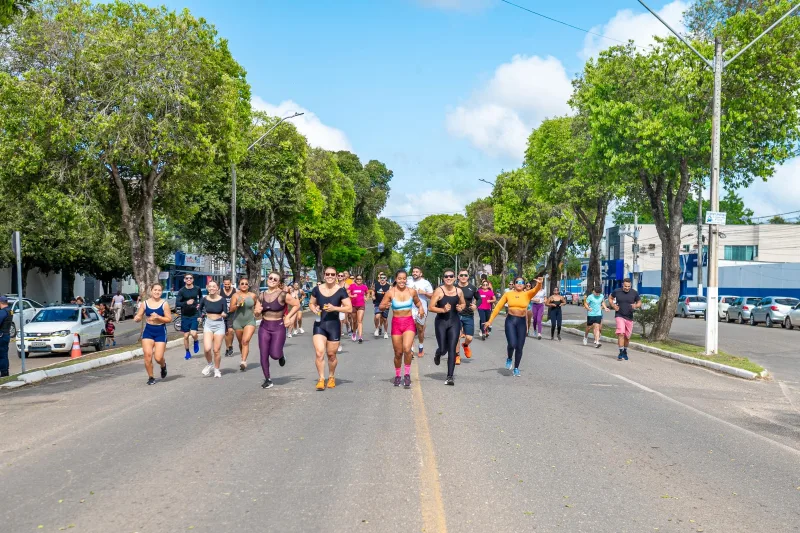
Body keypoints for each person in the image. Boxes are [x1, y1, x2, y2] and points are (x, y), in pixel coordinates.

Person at [484, 276, 544, 377]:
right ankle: (509, 358)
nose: (519, 284)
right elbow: (498, 307)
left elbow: (536, 289)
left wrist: (539, 283)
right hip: (510, 321)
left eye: (521, 282)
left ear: (524, 285)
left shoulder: (527, 294)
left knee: (519, 347)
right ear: (514, 284)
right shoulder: (508, 294)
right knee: (512, 344)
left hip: (521, 322)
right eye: (517, 282)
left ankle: (516, 368)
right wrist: (490, 321)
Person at [378, 269, 425, 388]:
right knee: (398, 353)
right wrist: (385, 306)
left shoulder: (412, 292)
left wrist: (421, 309)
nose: (402, 281)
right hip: (396, 323)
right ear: (396, 279)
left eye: (404, 278)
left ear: (406, 279)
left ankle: (407, 375)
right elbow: (381, 306)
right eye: (399, 278)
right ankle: (398, 375)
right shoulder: (390, 292)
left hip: (409, 322)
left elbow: (418, 303)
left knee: (407, 349)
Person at [309, 267, 352, 391]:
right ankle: (321, 379)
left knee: (331, 354)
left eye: (333, 274)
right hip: (319, 324)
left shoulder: (341, 291)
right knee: (319, 352)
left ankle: (331, 376)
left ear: (336, 276)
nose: (330, 276)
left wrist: (335, 308)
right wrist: (313, 309)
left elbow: (349, 308)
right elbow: (312, 303)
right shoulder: (317, 289)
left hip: (333, 325)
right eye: (327, 274)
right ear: (324, 275)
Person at [256, 272, 301, 389]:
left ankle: (281, 355)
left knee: (274, 355)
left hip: (278, 327)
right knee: (263, 354)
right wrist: (257, 312)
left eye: (275, 279)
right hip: (264, 327)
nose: (272, 280)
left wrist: (289, 317)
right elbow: (256, 314)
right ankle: (268, 379)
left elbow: (297, 305)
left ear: (278, 282)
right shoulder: (261, 295)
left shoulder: (283, 295)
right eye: (270, 278)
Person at [429, 270, 467, 386]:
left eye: (451, 276)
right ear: (443, 278)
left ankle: (450, 377)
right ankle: (438, 353)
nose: (448, 278)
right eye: (446, 276)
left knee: (452, 349)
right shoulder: (439, 291)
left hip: (454, 322)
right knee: (443, 349)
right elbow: (431, 307)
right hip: (441, 322)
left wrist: (461, 307)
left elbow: (463, 303)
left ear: (454, 278)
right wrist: (442, 310)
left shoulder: (458, 291)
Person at [133, 283, 171, 385]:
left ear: (161, 292)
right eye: (155, 290)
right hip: (148, 331)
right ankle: (151, 377)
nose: (157, 292)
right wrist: (137, 318)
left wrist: (158, 317)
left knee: (158, 357)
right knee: (147, 355)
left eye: (159, 290)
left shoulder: (164, 304)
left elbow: (169, 319)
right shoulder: (145, 303)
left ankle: (163, 366)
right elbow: (139, 315)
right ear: (151, 291)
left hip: (160, 331)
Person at [198, 281, 228, 379]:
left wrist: (224, 314)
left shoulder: (222, 299)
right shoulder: (204, 299)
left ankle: (216, 369)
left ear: (217, 288)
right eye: (209, 286)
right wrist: (199, 317)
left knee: (216, 350)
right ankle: (210, 364)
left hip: (219, 324)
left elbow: (225, 312)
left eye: (213, 286)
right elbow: (199, 309)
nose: (211, 288)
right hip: (208, 324)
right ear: (207, 288)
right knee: (207, 349)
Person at [608, 278, 641, 361]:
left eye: (629, 286)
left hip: (629, 317)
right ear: (623, 284)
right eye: (625, 286)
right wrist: (613, 305)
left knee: (627, 336)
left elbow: (639, 302)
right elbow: (610, 298)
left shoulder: (634, 293)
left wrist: (636, 306)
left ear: (630, 285)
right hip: (619, 315)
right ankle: (620, 352)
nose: (627, 288)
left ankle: (625, 351)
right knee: (621, 333)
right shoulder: (617, 291)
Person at [230, 277, 258, 371]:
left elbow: (257, 305)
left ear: (248, 285)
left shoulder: (253, 295)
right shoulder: (235, 295)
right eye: (242, 284)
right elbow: (231, 309)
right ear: (239, 285)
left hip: (249, 321)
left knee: (245, 341)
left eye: (246, 284)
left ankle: (243, 361)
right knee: (241, 342)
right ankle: (244, 355)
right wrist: (238, 304)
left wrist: (258, 311)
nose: (244, 285)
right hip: (238, 322)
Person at [406, 266, 433, 357]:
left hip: (421, 309)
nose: (415, 273)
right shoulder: (408, 282)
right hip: (410, 308)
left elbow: (432, 296)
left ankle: (421, 346)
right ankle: (412, 349)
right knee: (411, 329)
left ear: (420, 274)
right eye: (413, 272)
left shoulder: (425, 283)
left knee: (420, 329)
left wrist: (424, 293)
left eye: (417, 272)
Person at [455, 269, 480, 362]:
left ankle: (465, 345)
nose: (463, 277)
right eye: (461, 275)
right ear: (458, 277)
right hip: (456, 315)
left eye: (465, 275)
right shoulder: (454, 287)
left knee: (469, 337)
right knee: (456, 336)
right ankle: (457, 355)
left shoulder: (472, 288)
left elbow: (479, 299)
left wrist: (476, 306)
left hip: (468, 315)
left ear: (468, 277)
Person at [176, 274, 202, 360]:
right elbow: (177, 303)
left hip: (194, 314)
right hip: (185, 315)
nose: (189, 279)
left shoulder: (197, 288)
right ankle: (187, 352)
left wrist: (200, 305)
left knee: (193, 333)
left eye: (190, 278)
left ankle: (196, 341)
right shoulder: (181, 291)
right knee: (186, 336)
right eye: (187, 278)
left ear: (193, 279)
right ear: (184, 280)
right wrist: (186, 303)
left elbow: (201, 297)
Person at [347, 274, 369, 343]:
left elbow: (367, 293)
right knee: (354, 321)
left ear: (362, 280)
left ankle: (360, 337)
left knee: (360, 321)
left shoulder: (364, 287)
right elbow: (347, 293)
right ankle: (354, 333)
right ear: (355, 280)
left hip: (361, 306)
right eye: (357, 279)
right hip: (353, 306)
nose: (359, 280)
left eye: (360, 279)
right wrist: (352, 296)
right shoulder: (352, 286)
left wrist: (366, 297)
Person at [371, 271, 391, 339]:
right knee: (377, 316)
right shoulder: (376, 285)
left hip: (385, 304)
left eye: (384, 278)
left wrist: (390, 302)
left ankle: (385, 332)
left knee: (384, 319)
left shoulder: (389, 286)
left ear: (386, 278)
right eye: (381, 278)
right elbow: (373, 291)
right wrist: (373, 296)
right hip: (377, 303)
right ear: (379, 278)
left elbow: (391, 295)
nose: (382, 279)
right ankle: (376, 329)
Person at [220, 277, 236, 357]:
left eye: (228, 284)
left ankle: (230, 346)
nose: (227, 286)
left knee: (231, 331)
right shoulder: (220, 291)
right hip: (223, 314)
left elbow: (240, 301)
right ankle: (227, 348)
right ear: (223, 284)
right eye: (225, 284)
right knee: (226, 333)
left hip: (232, 314)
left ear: (231, 283)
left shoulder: (235, 291)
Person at [0, 296, 12, 377]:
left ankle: (4, 373)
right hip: (6, 334)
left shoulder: (3, 312)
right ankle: (5, 372)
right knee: (4, 355)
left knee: (2, 356)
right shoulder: (10, 310)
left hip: (1, 336)